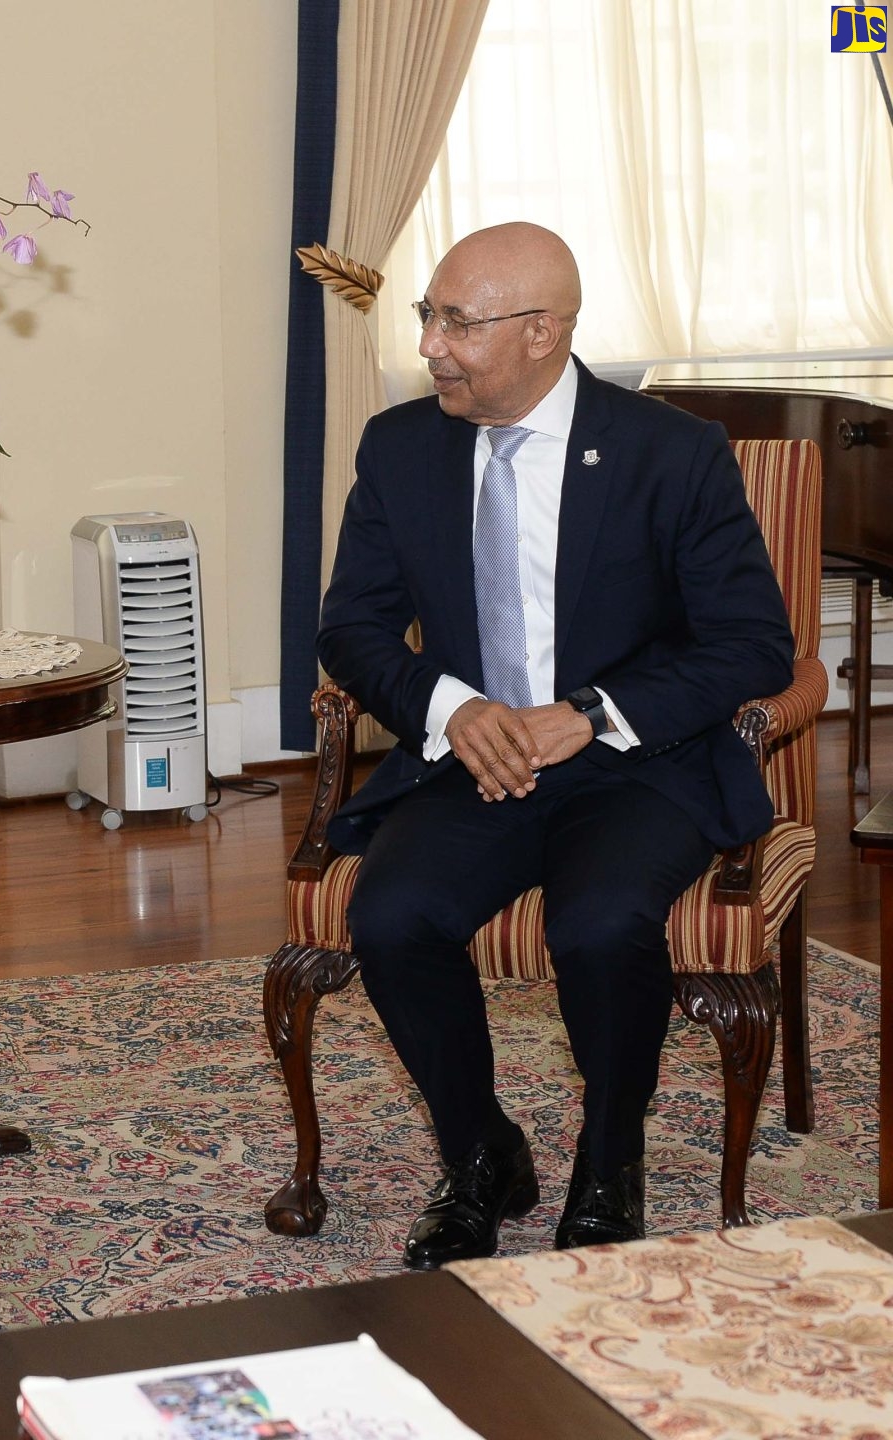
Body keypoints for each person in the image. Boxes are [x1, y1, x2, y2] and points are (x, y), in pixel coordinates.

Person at [316, 223, 794, 1269]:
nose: (431, 344)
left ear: (542, 332)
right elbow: (348, 626)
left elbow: (753, 645)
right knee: (390, 917)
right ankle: (480, 1153)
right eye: (426, 317)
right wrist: (449, 707)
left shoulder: (667, 453)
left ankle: (607, 1160)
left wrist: (588, 710)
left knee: (598, 925)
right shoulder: (399, 448)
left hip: (633, 766)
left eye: (456, 321)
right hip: (473, 760)